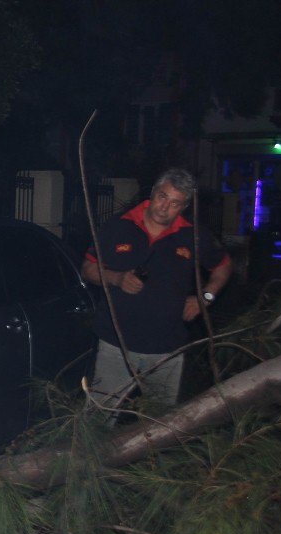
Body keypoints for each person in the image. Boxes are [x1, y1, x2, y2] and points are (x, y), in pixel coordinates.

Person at [82, 168, 232, 412]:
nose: (165, 207)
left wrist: (205, 297)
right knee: (100, 417)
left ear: (183, 207)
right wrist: (116, 278)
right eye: (163, 196)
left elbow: (224, 265)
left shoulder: (193, 236)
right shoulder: (118, 226)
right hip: (116, 344)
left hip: (166, 349)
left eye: (175, 203)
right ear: (153, 193)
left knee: (160, 421)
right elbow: (88, 268)